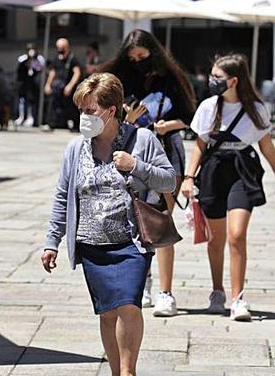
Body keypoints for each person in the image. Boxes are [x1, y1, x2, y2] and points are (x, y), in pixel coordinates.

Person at [41, 73, 176, 376]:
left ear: (111, 110)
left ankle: (128, 371)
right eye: (81, 110)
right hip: (92, 247)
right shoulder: (76, 148)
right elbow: (63, 195)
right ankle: (117, 372)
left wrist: (136, 166)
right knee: (107, 314)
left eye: (90, 111)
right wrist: (52, 241)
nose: (83, 117)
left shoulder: (143, 140)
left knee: (128, 305)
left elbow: (169, 179)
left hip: (131, 244)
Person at [100, 29, 197, 317]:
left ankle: (166, 292)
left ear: (152, 54)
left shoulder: (170, 79)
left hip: (165, 151)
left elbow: (189, 117)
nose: (137, 63)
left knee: (161, 220)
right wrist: (125, 121)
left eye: (141, 57)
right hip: (130, 150)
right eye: (131, 58)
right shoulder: (119, 77)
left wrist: (168, 126)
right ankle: (142, 282)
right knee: (133, 219)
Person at [181, 54, 275, 321]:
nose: (212, 81)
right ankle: (217, 291)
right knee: (216, 239)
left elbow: (266, 146)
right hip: (213, 171)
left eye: (217, 77)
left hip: (242, 171)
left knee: (236, 234)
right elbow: (200, 145)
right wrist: (189, 178)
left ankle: (238, 298)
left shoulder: (256, 107)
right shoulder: (209, 106)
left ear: (233, 81)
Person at [43, 38, 82, 131]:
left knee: (72, 106)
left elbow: (77, 73)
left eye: (63, 49)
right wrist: (48, 84)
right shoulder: (57, 58)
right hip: (58, 86)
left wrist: (70, 86)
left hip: (69, 87)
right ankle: (52, 123)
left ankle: (75, 125)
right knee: (53, 104)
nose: (61, 51)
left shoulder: (73, 59)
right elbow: (53, 72)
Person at [16, 42, 45, 127]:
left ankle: (31, 117)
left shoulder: (39, 59)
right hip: (25, 83)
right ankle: (21, 116)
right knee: (22, 100)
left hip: (34, 83)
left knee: (32, 101)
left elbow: (41, 69)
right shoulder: (22, 58)